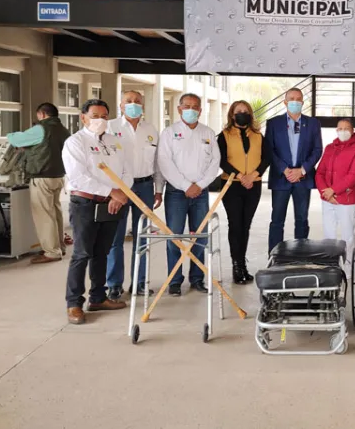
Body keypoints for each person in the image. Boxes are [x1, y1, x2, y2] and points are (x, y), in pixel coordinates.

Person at [63, 99, 130, 325]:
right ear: (83, 117)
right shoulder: (75, 142)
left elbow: (126, 171)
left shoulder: (114, 142)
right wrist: (112, 192)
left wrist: (119, 194)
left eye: (103, 116)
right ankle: (74, 304)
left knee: (102, 252)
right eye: (94, 115)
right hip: (85, 204)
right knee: (82, 253)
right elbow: (78, 178)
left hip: (111, 204)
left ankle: (98, 298)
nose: (99, 120)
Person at [157, 93, 221, 296]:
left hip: (200, 193)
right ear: (179, 109)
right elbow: (164, 163)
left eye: (195, 107)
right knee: (175, 237)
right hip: (176, 192)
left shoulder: (208, 133)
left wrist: (200, 185)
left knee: (199, 236)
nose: (191, 110)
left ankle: (197, 278)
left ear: (201, 110)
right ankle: (174, 280)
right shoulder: (169, 133)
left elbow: (214, 163)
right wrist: (185, 185)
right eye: (187, 106)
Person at [105, 91, 164, 300]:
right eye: (128, 102)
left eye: (137, 102)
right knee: (115, 238)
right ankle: (113, 284)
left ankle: (139, 283)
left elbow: (157, 162)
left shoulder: (151, 130)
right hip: (119, 188)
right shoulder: (110, 127)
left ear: (143, 106)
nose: (133, 105)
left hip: (145, 186)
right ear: (120, 106)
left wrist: (158, 189)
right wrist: (111, 191)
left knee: (143, 237)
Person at [7, 102, 70, 264]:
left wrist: (12, 135)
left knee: (44, 215)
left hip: (42, 177)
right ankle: (59, 246)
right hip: (58, 176)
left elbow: (16, 140)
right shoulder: (64, 130)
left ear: (42, 114)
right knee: (56, 213)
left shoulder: (41, 128)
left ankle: (51, 252)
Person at [217, 100, 270, 284]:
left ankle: (243, 264)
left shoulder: (258, 136)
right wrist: (240, 176)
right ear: (232, 115)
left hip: (253, 185)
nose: (242, 113)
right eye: (239, 111)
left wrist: (253, 175)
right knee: (235, 225)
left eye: (246, 111)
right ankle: (236, 266)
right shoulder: (224, 135)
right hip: (232, 185)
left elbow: (266, 158)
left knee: (245, 226)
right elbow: (221, 160)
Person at [265, 87, 323, 252]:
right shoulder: (273, 123)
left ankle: (300, 255)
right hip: (281, 178)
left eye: (298, 99)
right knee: (277, 220)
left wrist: (302, 170)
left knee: (302, 219)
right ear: (285, 102)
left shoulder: (312, 123)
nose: (295, 102)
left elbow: (317, 149)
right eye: (292, 98)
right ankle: (274, 256)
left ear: (303, 102)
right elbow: (270, 150)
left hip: (303, 180)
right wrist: (284, 169)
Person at [315, 118, 355, 275]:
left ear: (352, 130)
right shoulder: (330, 148)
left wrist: (334, 190)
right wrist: (326, 192)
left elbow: (354, 175)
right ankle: (331, 266)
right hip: (327, 199)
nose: (342, 131)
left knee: (347, 235)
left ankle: (348, 268)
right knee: (329, 234)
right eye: (339, 128)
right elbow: (320, 172)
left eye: (346, 128)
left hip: (346, 199)